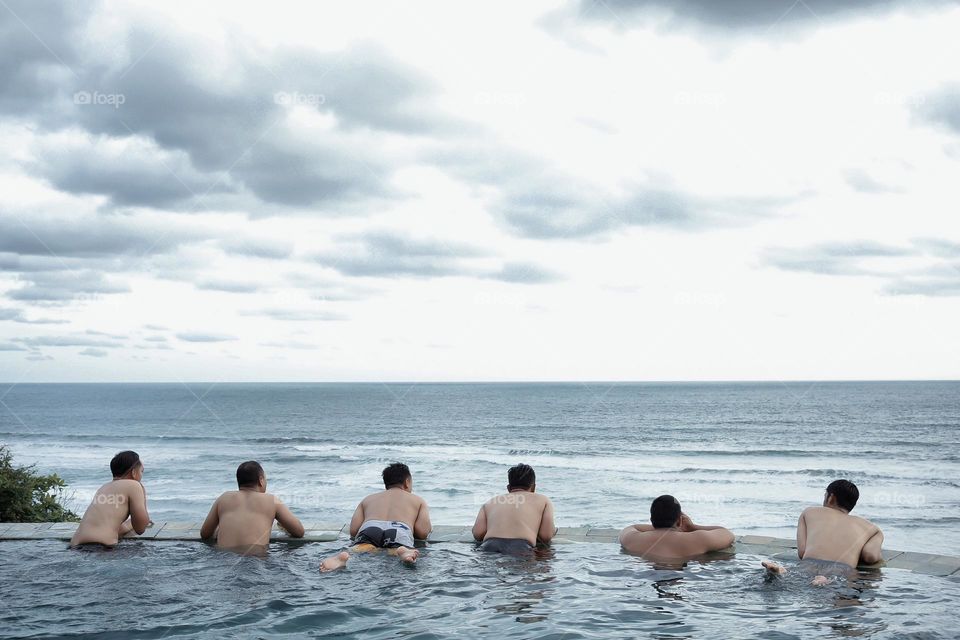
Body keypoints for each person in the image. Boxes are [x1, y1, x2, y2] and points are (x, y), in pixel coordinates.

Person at [762, 479, 883, 581]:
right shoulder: (872, 528)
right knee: (832, 581)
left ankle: (782, 571)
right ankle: (823, 580)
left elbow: (802, 552)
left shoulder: (809, 512)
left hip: (808, 563)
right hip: (842, 569)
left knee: (795, 575)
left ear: (831, 497)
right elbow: (870, 556)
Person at [320, 462, 431, 571]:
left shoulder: (368, 499)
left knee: (360, 548)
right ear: (407, 482)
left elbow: (354, 531)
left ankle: (344, 557)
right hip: (398, 529)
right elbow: (422, 533)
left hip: (370, 528)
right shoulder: (418, 500)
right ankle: (402, 551)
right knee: (397, 549)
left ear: (386, 483)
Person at [200, 461, 305, 554]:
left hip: (224, 559)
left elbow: (205, 534)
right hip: (255, 560)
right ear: (261, 480)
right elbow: (299, 532)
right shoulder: (271, 500)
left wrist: (220, 528)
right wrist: (284, 526)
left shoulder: (223, 498)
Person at [70, 450, 151, 548]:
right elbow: (140, 528)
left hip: (75, 546)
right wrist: (142, 493)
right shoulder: (134, 485)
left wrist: (129, 524)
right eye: (141, 471)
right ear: (134, 472)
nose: (142, 476)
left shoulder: (103, 488)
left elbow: (112, 528)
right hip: (102, 548)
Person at [472, 463, 556, 554]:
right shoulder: (543, 500)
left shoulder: (491, 501)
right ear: (533, 487)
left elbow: (478, 534)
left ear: (508, 488)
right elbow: (545, 536)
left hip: (488, 547)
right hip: (521, 549)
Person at [618, 495, 735, 559]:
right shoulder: (698, 539)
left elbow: (632, 527)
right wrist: (693, 527)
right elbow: (727, 534)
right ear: (680, 520)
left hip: (649, 575)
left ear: (651, 520)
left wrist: (661, 525)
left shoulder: (633, 539)